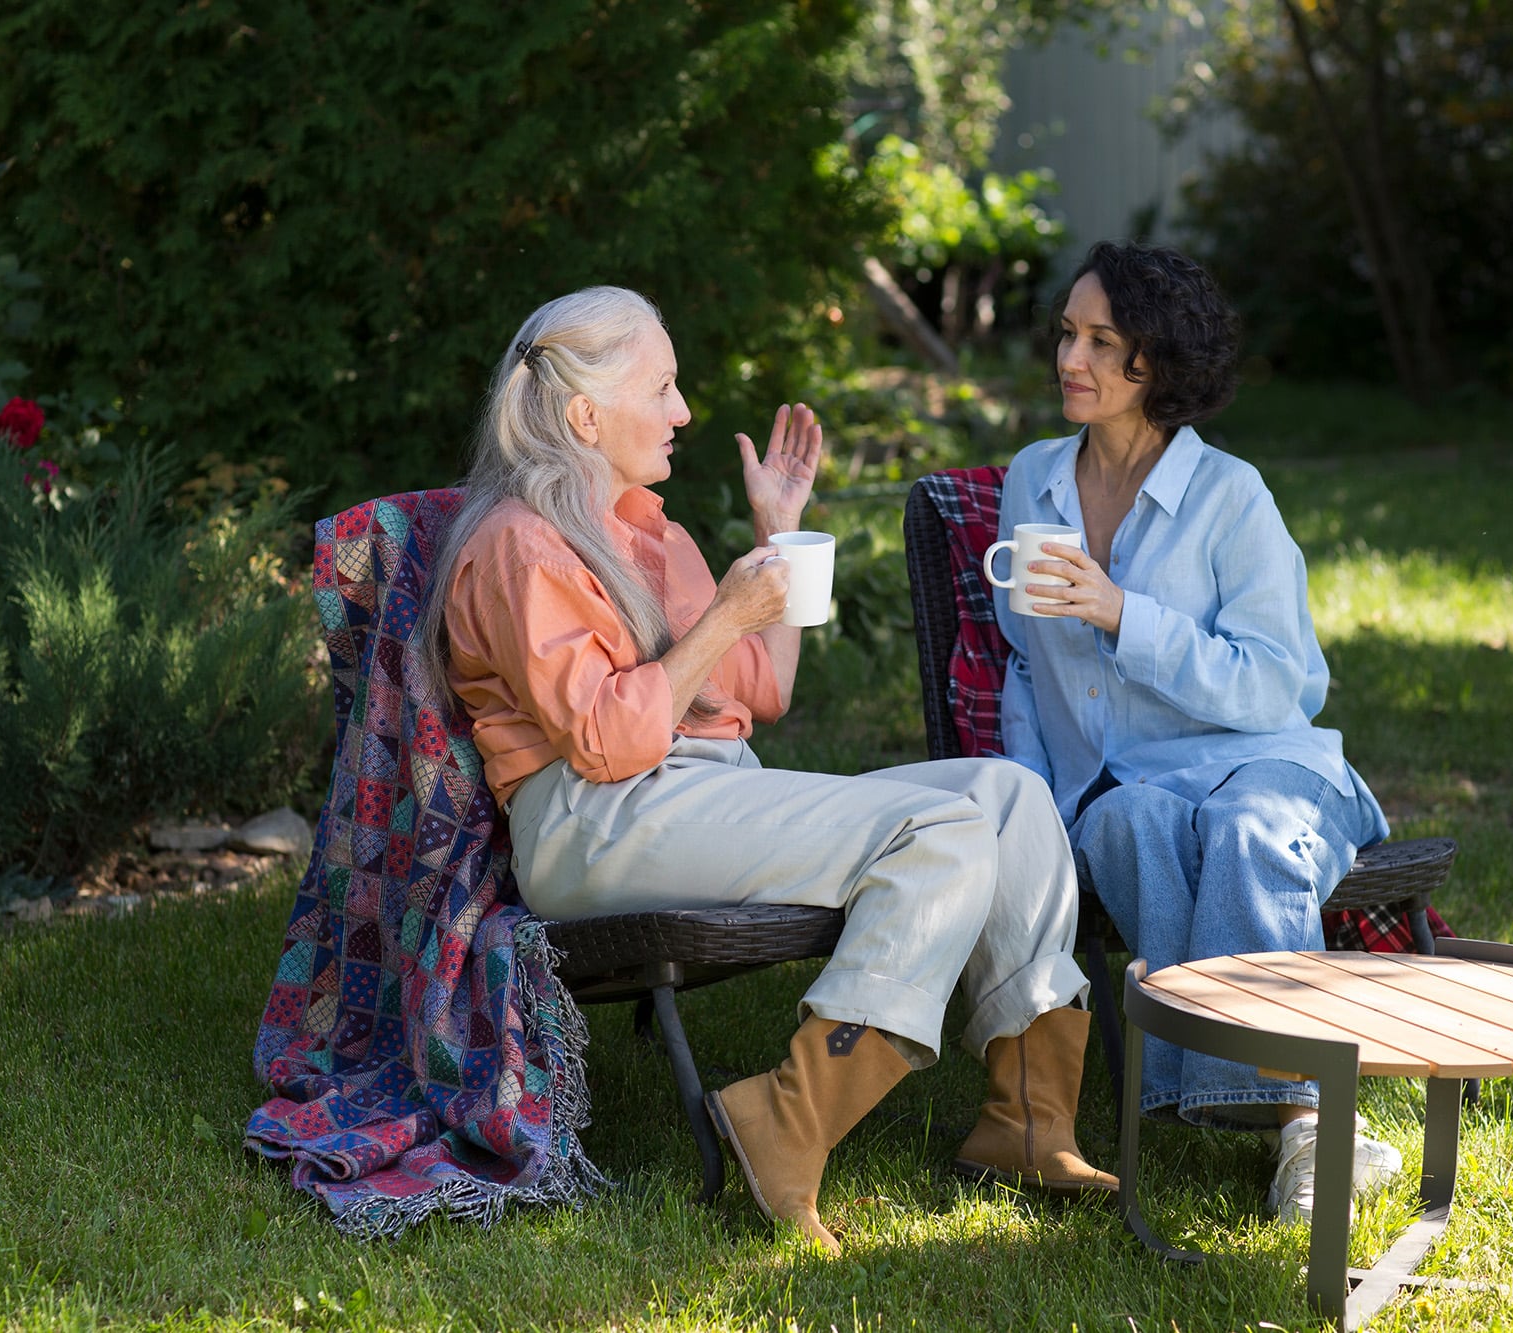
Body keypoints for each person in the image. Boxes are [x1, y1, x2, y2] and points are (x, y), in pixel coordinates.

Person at [419, 285, 1115, 1257]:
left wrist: (777, 534)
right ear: (583, 415)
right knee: (940, 834)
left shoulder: (652, 535)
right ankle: (784, 1121)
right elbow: (605, 742)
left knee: (1006, 798)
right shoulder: (515, 547)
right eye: (660, 388)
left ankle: (1028, 1120)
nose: (682, 412)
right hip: (597, 819)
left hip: (697, 785)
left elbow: (764, 686)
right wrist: (721, 620)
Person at [991, 241, 1402, 1224]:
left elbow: (1280, 684)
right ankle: (1256, 1108)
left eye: (1102, 341)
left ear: (1158, 363)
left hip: (1260, 760)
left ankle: (1307, 1121)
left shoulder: (1230, 498)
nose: (1070, 359)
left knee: (1250, 835)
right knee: (1125, 828)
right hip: (1123, 785)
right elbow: (1021, 664)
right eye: (1066, 334)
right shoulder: (1033, 480)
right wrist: (1033, 808)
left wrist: (1123, 615)